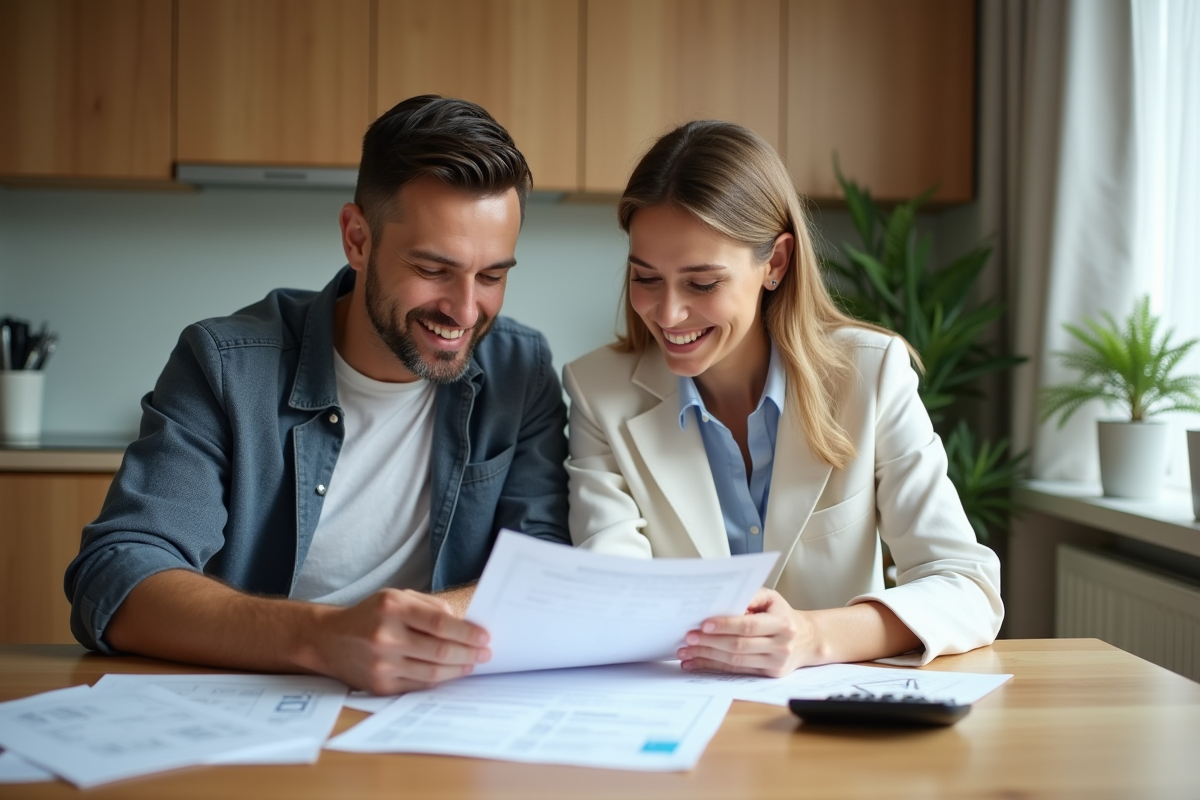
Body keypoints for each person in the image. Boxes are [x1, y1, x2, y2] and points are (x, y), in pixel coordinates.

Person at [65, 96, 570, 694]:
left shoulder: (522, 368)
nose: (465, 311)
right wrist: (324, 639)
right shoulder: (225, 365)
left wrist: (425, 629)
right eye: (434, 269)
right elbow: (117, 573)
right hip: (249, 704)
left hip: (436, 711)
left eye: (492, 276)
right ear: (357, 240)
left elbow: (548, 572)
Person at [563, 120, 1002, 676]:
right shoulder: (597, 391)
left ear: (775, 263)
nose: (668, 314)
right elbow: (614, 595)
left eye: (701, 284)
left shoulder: (871, 375)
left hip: (830, 728)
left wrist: (814, 635)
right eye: (646, 278)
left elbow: (968, 586)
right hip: (676, 711)